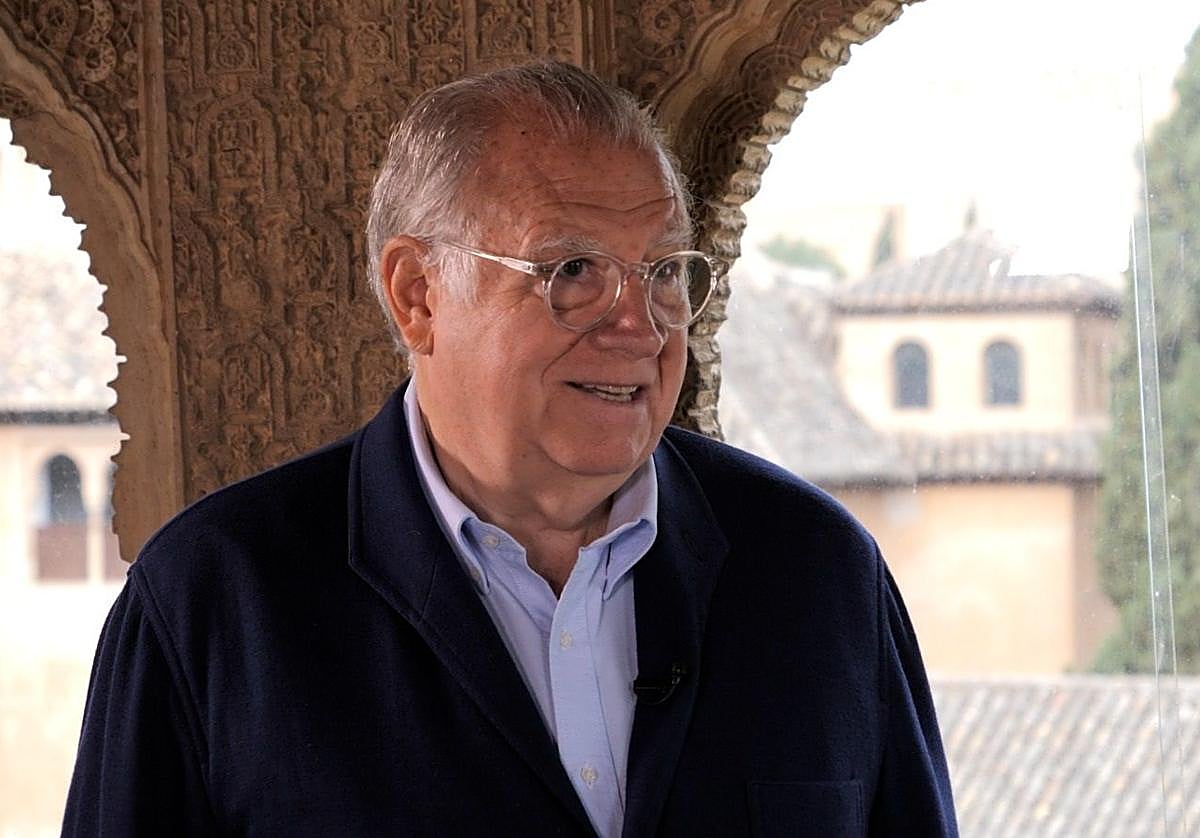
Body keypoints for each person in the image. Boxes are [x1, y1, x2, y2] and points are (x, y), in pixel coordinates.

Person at [63, 61, 957, 836]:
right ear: (418, 296)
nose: (637, 327)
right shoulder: (214, 604)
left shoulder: (819, 573)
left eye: (663, 272)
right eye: (572, 272)